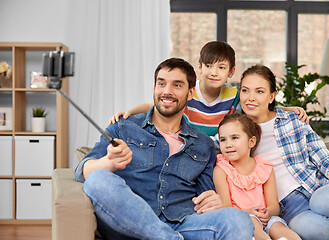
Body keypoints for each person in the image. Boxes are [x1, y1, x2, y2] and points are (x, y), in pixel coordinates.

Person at [75, 57, 254, 240]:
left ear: (190, 93)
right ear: (154, 88)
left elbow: (204, 197)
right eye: (161, 84)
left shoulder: (203, 144)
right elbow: (82, 171)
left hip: (184, 224)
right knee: (98, 178)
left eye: (177, 85)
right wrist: (109, 162)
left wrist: (212, 202)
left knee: (239, 219)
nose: (167, 92)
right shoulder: (123, 127)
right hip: (131, 223)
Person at [239, 64, 329, 240]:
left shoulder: (293, 120)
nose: (250, 98)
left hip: (318, 189)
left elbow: (326, 160)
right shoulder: (234, 133)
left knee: (323, 200)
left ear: (272, 96)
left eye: (259, 91)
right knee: (303, 227)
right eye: (245, 90)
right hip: (290, 210)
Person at [108, 41, 308, 141]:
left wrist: (287, 109)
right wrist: (130, 111)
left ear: (231, 72)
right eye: (209, 66)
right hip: (191, 141)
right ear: (200, 68)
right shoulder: (189, 92)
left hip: (218, 147)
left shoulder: (233, 95)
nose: (214, 72)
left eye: (221, 68)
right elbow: (156, 104)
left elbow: (256, 104)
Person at [213, 113, 301, 240]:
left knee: (278, 227)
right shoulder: (221, 170)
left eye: (234, 138)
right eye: (223, 139)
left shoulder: (264, 169)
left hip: (266, 219)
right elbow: (226, 208)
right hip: (241, 218)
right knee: (253, 222)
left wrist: (267, 213)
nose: (228, 144)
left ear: (251, 141)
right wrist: (249, 212)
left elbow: (274, 206)